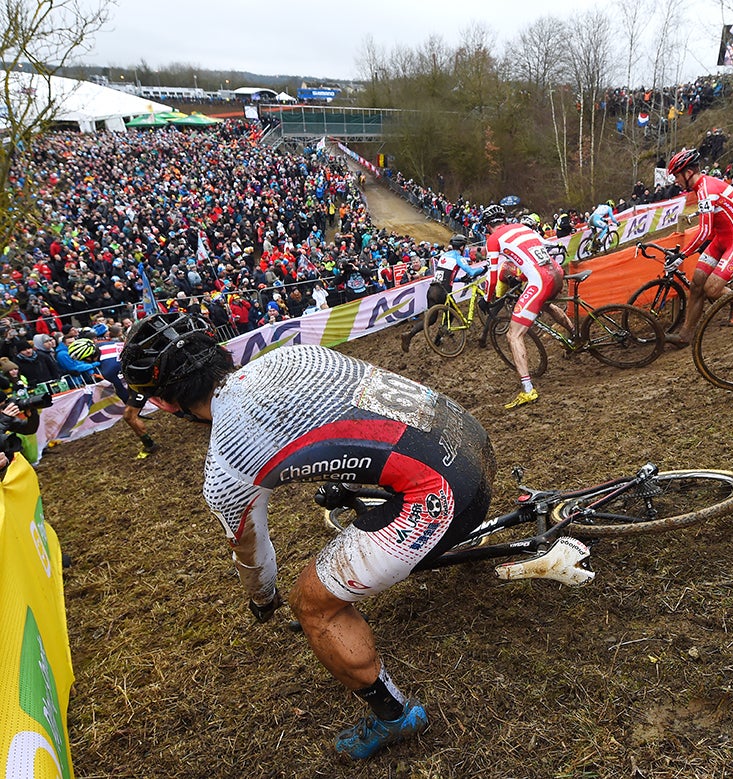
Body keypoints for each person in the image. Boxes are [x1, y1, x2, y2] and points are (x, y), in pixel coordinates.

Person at [120, 312, 497, 761]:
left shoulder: (225, 462)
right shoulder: (292, 355)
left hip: (443, 494)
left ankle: (393, 717)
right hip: (468, 435)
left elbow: (252, 555)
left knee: (310, 603)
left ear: (164, 404)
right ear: (220, 350)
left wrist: (264, 600)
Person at [482, 204, 573, 409]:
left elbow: (493, 275)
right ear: (504, 220)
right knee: (546, 305)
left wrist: (487, 299)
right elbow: (536, 255)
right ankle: (575, 335)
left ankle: (527, 389)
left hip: (540, 281)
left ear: (488, 227)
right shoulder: (523, 227)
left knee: (513, 335)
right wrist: (521, 277)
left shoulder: (493, 239)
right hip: (556, 272)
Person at [662, 147, 733, 346]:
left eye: (677, 176)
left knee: (711, 289)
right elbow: (711, 228)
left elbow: (704, 231)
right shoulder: (702, 187)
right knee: (696, 284)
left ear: (688, 173)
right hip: (721, 239)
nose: (676, 181)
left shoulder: (705, 190)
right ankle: (685, 336)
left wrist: (682, 255)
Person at [401, 234, 484, 352]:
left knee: (431, 319)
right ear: (461, 247)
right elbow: (471, 271)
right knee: (452, 312)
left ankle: (410, 334)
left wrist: (460, 279)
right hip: (443, 291)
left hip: (432, 290)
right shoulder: (458, 257)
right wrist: (484, 268)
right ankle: (440, 336)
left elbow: (446, 276)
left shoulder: (444, 256)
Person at [97, 324, 155, 459]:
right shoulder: (104, 345)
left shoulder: (107, 370)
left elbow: (122, 391)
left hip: (144, 377)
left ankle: (149, 444)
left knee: (129, 416)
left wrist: (129, 404)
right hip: (148, 363)